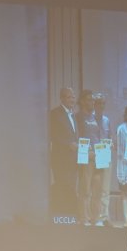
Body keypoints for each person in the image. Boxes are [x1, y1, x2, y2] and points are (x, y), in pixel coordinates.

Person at [76, 89, 109, 226]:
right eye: (89, 99)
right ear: (83, 101)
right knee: (85, 188)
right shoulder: (78, 117)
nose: (92, 102)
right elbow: (77, 136)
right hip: (87, 155)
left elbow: (100, 135)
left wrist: (105, 149)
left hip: (99, 155)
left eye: (93, 100)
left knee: (98, 188)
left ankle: (95, 218)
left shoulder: (95, 117)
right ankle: (83, 218)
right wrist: (86, 152)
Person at [49, 86, 78, 216]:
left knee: (71, 188)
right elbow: (52, 135)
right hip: (60, 159)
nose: (72, 99)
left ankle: (68, 216)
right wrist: (68, 145)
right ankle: (59, 216)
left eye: (73, 97)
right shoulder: (55, 114)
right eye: (69, 97)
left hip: (73, 160)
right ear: (61, 98)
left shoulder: (73, 115)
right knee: (61, 187)